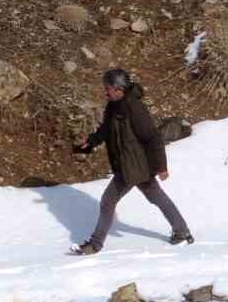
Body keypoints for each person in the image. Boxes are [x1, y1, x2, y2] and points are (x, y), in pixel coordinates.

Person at [70, 69, 193, 255]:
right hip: (132, 164)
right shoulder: (114, 105)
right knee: (156, 197)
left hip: (132, 166)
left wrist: (161, 166)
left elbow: (153, 137)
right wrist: (90, 144)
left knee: (107, 201)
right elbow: (106, 129)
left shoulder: (134, 108)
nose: (106, 91)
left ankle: (95, 244)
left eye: (108, 88)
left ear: (119, 89)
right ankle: (182, 232)